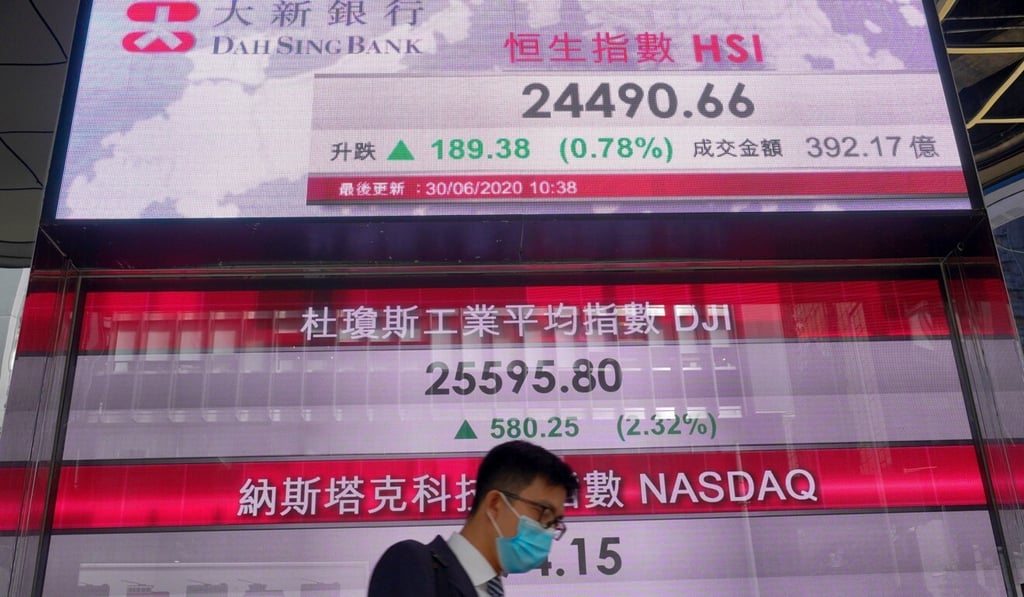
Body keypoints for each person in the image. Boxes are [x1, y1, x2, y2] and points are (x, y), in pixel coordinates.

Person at [367, 440, 578, 596]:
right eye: (543, 513)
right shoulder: (413, 565)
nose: (548, 531)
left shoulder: (490, 591)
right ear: (496, 504)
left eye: (555, 523)